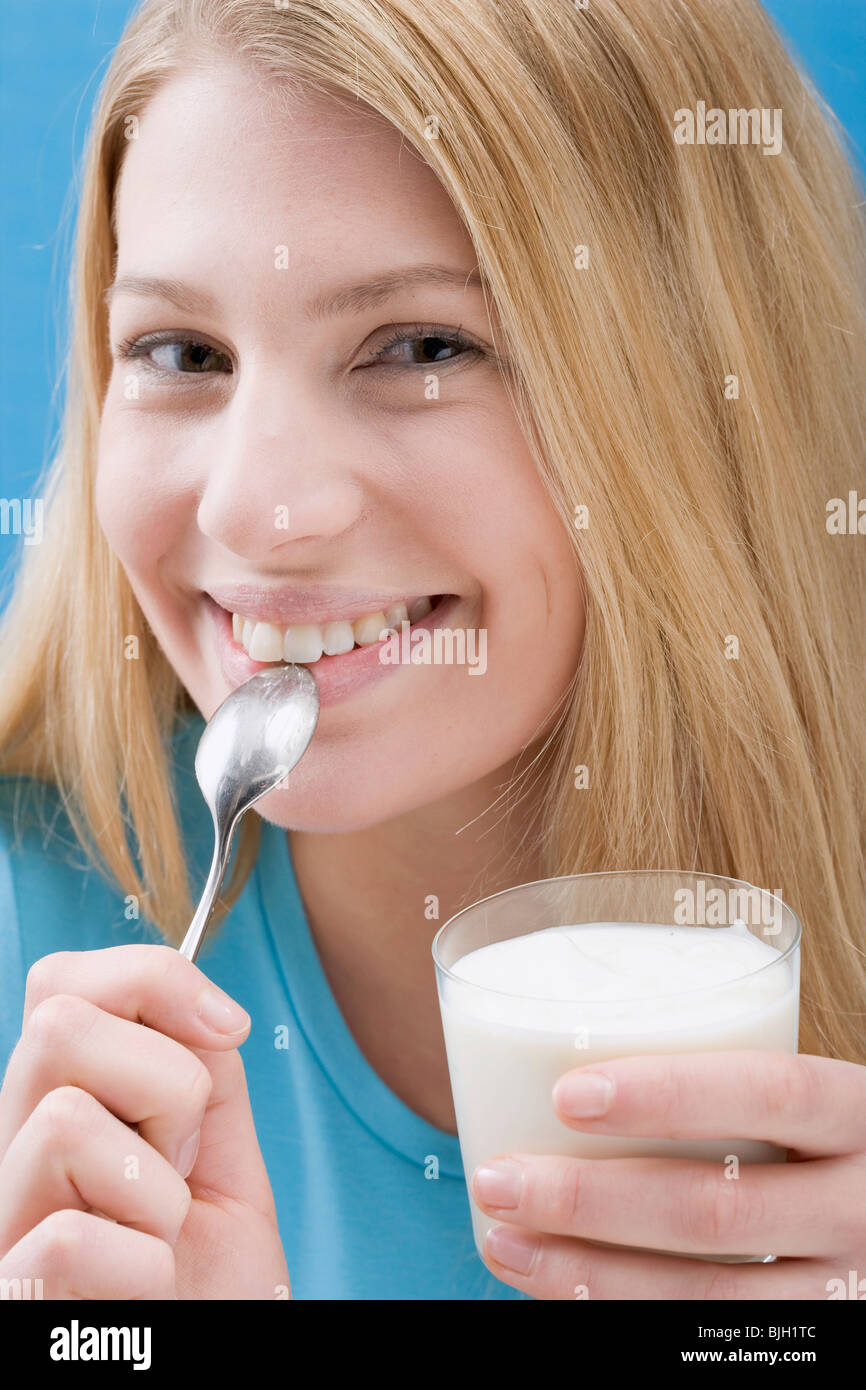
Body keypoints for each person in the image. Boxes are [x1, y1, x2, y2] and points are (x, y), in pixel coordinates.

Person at [0, 0, 864, 1300]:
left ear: (696, 386)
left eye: (419, 347)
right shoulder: (32, 893)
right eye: (183, 353)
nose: (255, 509)